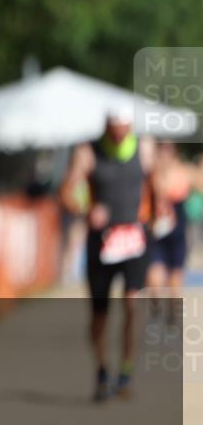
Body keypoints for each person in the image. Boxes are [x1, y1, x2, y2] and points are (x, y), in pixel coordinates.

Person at [60, 107, 158, 402]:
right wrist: (86, 210)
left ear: (130, 126)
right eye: (114, 129)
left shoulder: (144, 146)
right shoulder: (87, 152)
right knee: (100, 314)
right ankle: (102, 370)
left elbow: (155, 184)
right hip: (100, 241)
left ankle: (126, 371)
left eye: (124, 128)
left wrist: (156, 215)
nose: (119, 135)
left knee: (132, 304)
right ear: (106, 126)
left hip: (134, 239)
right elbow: (67, 192)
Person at [146, 142, 194, 323]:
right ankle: (166, 310)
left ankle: (165, 310)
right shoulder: (181, 171)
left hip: (168, 227)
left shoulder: (154, 172)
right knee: (164, 271)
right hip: (164, 227)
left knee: (171, 271)